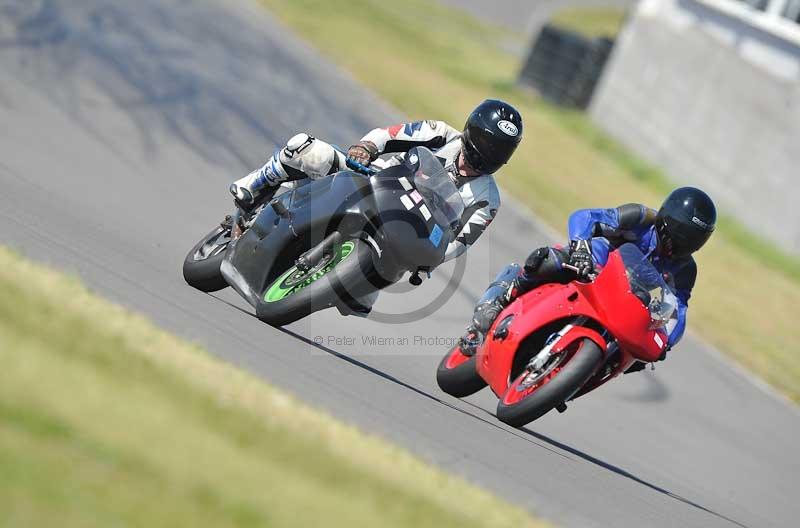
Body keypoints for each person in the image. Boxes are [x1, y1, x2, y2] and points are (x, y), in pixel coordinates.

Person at [229, 99, 523, 314]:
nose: (487, 154)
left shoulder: (487, 199)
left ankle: (323, 279)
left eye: (498, 151)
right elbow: (389, 135)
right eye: (485, 142)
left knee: (360, 299)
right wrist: (366, 148)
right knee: (307, 148)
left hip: (399, 238)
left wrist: (429, 259)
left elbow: (460, 242)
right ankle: (255, 184)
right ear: (470, 131)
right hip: (366, 182)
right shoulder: (440, 134)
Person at [464, 187, 717, 369]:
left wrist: (665, 343)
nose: (683, 246)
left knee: (631, 359)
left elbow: (678, 311)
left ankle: (578, 374)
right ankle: (502, 298)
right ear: (666, 220)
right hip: (594, 266)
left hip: (626, 303)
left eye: (694, 241)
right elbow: (586, 217)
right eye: (681, 235)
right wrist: (581, 248)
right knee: (547, 260)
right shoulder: (639, 218)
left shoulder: (685, 270)